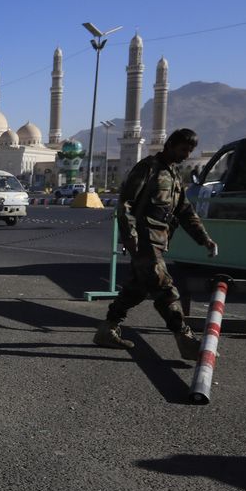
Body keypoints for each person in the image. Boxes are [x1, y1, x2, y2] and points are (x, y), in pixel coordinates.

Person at [94, 128, 218, 359]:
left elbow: (185, 211)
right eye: (183, 149)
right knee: (165, 288)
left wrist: (205, 239)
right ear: (169, 144)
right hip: (144, 242)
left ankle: (107, 329)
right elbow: (126, 203)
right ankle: (185, 338)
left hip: (159, 241)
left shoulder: (173, 175)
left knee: (136, 289)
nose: (185, 155)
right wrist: (130, 235)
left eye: (189, 151)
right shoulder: (147, 168)